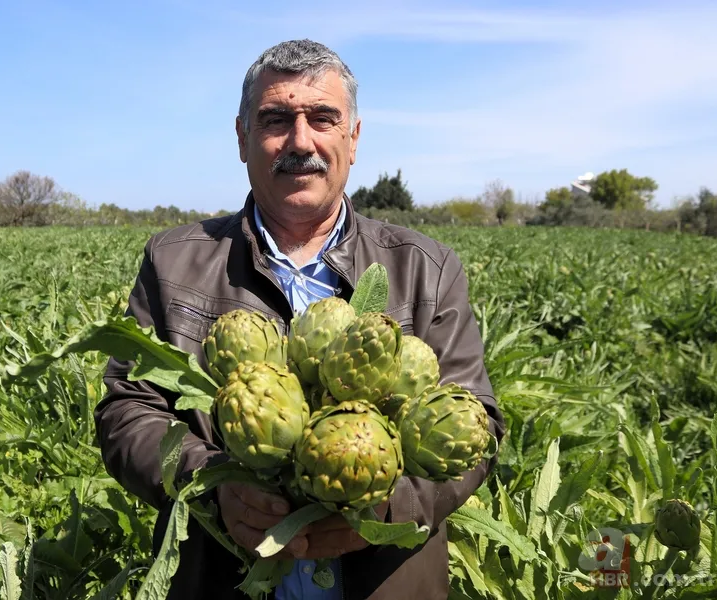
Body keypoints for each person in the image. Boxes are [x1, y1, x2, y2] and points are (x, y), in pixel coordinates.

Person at [95, 39, 506, 600]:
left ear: (353, 139)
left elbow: (477, 423)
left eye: (323, 118)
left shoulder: (427, 269)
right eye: (276, 119)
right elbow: (128, 411)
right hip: (221, 576)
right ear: (241, 138)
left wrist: (381, 502)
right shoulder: (172, 262)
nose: (301, 141)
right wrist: (214, 483)